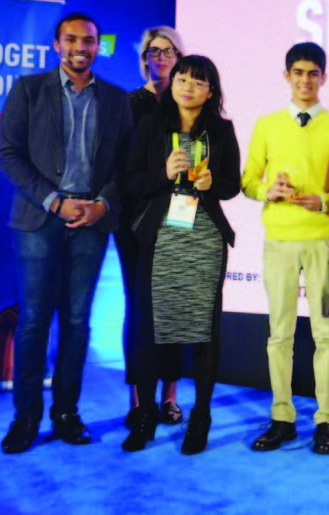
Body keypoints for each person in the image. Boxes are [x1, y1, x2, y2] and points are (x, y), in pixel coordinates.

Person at [0, 12, 132, 453]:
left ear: (99, 46)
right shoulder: (28, 90)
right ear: (56, 45)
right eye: (72, 39)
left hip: (91, 222)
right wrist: (54, 199)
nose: (81, 46)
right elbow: (8, 155)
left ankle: (67, 413)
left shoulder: (115, 99)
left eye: (89, 40)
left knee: (77, 322)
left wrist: (102, 205)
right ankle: (26, 418)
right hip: (40, 219)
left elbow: (125, 166)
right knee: (34, 320)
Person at [120, 55, 240, 454]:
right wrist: (164, 173)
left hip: (203, 238)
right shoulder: (153, 124)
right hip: (159, 236)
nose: (187, 86)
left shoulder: (221, 130)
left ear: (211, 90)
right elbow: (131, 182)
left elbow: (232, 185)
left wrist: (211, 181)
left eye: (197, 81)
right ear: (171, 84)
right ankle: (144, 415)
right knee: (148, 329)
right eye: (181, 78)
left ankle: (200, 417)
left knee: (204, 329)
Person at [242, 42, 329, 455]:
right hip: (279, 240)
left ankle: (325, 421)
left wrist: (322, 200)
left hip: (320, 238)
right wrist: (270, 190)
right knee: (279, 335)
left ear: (324, 76)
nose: (305, 79)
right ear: (286, 75)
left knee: (325, 334)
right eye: (298, 72)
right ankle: (282, 416)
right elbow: (248, 181)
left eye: (313, 72)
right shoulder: (267, 124)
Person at [115, 26, 186, 428]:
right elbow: (121, 169)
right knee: (139, 309)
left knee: (173, 308)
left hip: (179, 218)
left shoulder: (187, 105)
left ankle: (170, 398)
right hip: (134, 222)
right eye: (152, 51)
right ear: (143, 57)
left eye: (167, 51)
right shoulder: (127, 104)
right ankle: (139, 399)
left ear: (179, 58)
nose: (159, 57)